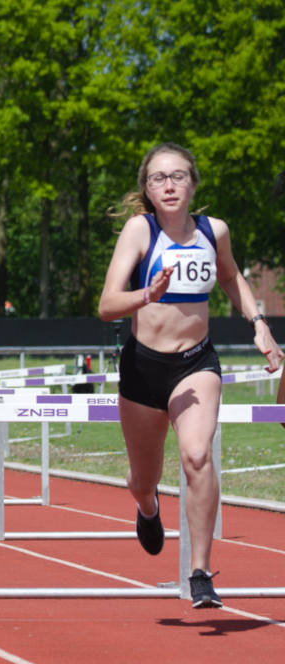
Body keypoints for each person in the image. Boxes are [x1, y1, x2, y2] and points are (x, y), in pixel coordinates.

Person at [98, 142, 283, 609]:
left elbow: (230, 276)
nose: (169, 185)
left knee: (197, 455)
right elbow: (105, 306)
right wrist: (147, 294)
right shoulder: (140, 232)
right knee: (144, 477)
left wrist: (258, 323)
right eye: (159, 178)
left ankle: (200, 570)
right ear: (147, 187)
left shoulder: (213, 230)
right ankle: (146, 506)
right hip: (143, 368)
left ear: (193, 183)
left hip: (195, 363)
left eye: (178, 176)